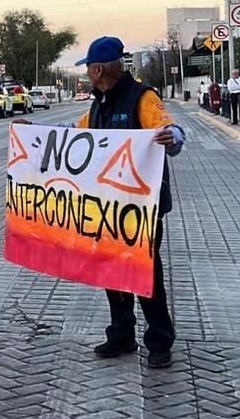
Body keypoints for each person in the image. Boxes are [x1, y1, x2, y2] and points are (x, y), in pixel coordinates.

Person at [16, 36, 185, 369]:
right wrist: (32, 132)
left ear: (97, 69)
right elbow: (71, 136)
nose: (87, 75)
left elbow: (172, 131)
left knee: (146, 274)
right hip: (106, 207)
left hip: (141, 208)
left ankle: (160, 341)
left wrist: (172, 138)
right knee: (112, 271)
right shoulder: (98, 104)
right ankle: (121, 335)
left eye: (88, 69)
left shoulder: (142, 98)